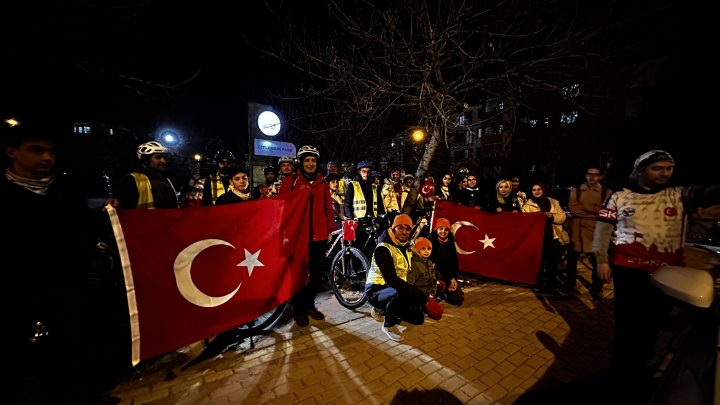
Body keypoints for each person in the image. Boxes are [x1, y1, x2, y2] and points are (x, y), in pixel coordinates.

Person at [1, 116, 123, 404]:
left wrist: (108, 214)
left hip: (68, 284)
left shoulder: (64, 192)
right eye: (36, 150)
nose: (46, 158)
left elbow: (84, 227)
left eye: (50, 151)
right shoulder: (4, 196)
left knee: (73, 343)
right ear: (12, 152)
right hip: (20, 289)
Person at [592, 150, 714, 401]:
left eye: (669, 168)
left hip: (666, 274)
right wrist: (601, 260)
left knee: (652, 326)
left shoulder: (679, 194)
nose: (665, 173)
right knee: (626, 325)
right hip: (628, 271)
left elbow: (709, 194)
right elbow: (602, 230)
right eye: (657, 168)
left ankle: (641, 366)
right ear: (639, 170)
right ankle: (620, 373)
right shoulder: (619, 196)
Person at [280, 145, 335, 327]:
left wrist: (329, 229)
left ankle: (310, 304)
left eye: (313, 160)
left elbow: (328, 207)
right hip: (299, 237)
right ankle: (300, 309)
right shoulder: (290, 181)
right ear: (301, 163)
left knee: (317, 275)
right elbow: (282, 207)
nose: (310, 163)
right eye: (307, 160)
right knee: (299, 276)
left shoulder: (322, 182)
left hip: (318, 237)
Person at [365, 214, 428, 341]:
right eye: (400, 228)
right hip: (376, 290)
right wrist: (415, 293)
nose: (404, 232)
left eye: (408, 229)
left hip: (394, 289)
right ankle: (389, 325)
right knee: (403, 292)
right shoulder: (383, 248)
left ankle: (381, 310)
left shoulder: (405, 246)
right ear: (393, 229)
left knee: (418, 318)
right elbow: (392, 280)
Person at [561, 165, 611, 298]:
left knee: (596, 261)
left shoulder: (606, 192)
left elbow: (605, 212)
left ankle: (597, 287)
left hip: (595, 232)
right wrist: (594, 210)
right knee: (572, 261)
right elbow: (573, 209)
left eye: (595, 174)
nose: (592, 177)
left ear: (600, 176)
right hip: (576, 231)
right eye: (590, 174)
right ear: (586, 175)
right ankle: (570, 284)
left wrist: (584, 210)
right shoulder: (576, 191)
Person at [522, 182, 567, 295]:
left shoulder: (554, 202)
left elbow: (562, 217)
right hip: (537, 238)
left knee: (551, 263)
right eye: (534, 190)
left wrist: (552, 216)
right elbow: (525, 222)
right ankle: (538, 284)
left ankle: (551, 286)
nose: (536, 192)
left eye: (539, 189)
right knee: (538, 262)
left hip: (552, 236)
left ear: (543, 190)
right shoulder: (527, 206)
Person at [109, 141, 178, 209]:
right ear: (146, 160)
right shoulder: (132, 179)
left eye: (165, 158)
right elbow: (119, 208)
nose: (163, 161)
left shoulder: (166, 179)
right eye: (158, 157)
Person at [428, 218, 464, 306]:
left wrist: (454, 279)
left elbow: (454, 263)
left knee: (457, 299)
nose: (443, 231)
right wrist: (450, 278)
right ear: (436, 229)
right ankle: (439, 291)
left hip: (448, 276)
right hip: (436, 277)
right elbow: (437, 264)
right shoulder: (430, 243)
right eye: (441, 228)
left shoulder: (450, 242)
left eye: (446, 229)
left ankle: (444, 292)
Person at [407, 237, 444, 320]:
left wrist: (435, 284)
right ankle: (418, 307)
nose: (427, 251)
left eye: (429, 248)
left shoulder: (428, 262)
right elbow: (409, 285)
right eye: (423, 248)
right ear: (417, 250)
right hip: (420, 295)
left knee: (442, 284)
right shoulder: (415, 265)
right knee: (437, 313)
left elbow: (432, 277)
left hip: (427, 292)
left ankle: (427, 305)